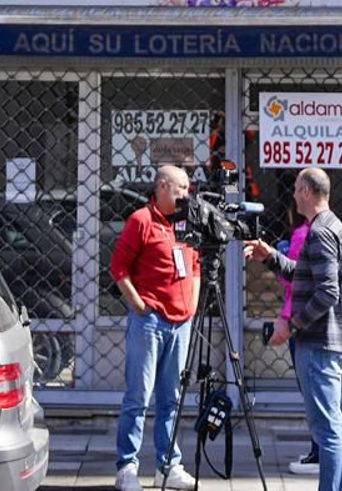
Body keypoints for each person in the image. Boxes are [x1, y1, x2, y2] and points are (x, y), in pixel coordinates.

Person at [245, 168, 342, 491]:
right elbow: (304, 274)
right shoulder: (329, 226)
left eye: (295, 189)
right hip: (330, 342)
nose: (292, 195)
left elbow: (327, 292)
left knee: (327, 430)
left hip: (319, 344)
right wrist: (271, 257)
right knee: (333, 425)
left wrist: (292, 325)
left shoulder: (319, 232)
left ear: (306, 191)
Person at [109, 162, 200, 491]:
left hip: (181, 323)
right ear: (162, 187)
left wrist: (192, 305)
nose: (186, 195)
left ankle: (168, 465)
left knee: (171, 399)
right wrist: (137, 304)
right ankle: (127, 467)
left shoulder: (186, 223)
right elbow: (118, 267)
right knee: (138, 396)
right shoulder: (141, 221)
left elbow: (196, 266)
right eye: (181, 190)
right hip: (150, 322)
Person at [267, 215, 318, 477]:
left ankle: (319, 455)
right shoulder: (328, 230)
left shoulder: (302, 234)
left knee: (312, 394)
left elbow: (294, 283)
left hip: (300, 321)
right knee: (318, 395)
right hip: (311, 322)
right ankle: (319, 453)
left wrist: (287, 321)